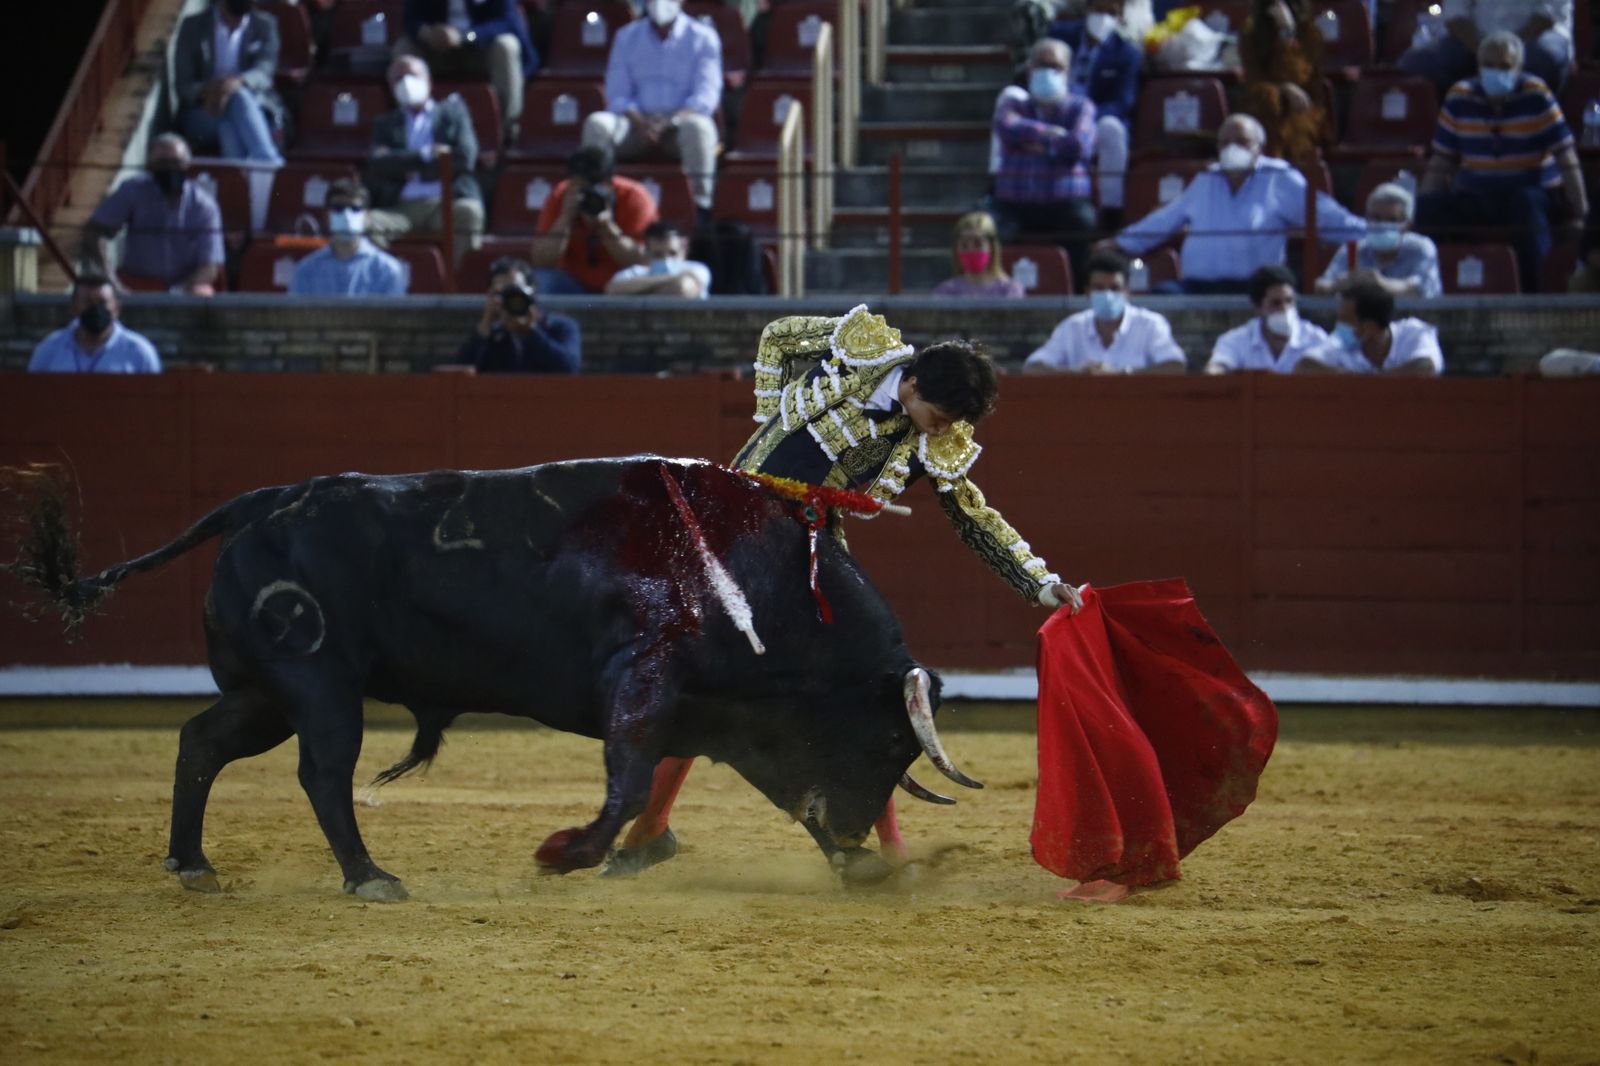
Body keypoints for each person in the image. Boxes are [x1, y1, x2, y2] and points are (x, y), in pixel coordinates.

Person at [604, 305, 1086, 878]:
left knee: (853, 693)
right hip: (733, 531)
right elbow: (778, 337)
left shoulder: (933, 440)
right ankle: (650, 831)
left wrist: (1039, 581)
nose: (943, 428)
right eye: (939, 414)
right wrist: (770, 416)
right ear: (910, 383)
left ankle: (886, 849)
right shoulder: (861, 348)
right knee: (704, 679)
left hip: (808, 556)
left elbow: (973, 516)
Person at [1104, 114, 1366, 294]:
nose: (1231, 148)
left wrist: (1369, 234)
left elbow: (1324, 215)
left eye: (1240, 142)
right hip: (1198, 286)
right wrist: (1120, 242)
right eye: (1225, 142)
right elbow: (1166, 219)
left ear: (1259, 147)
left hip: (1254, 287)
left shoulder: (1278, 177)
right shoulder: (1207, 177)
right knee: (1163, 296)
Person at [1415, 31, 1588, 293]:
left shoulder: (1537, 95)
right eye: (1489, 65)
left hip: (1530, 194)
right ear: (1478, 66)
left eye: (1505, 66)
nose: (1496, 72)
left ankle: (1535, 293)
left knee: (1527, 206)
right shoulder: (1459, 97)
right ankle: (1430, 289)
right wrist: (1423, 205)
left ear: (1518, 68)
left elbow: (1567, 158)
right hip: (1477, 194)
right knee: (1428, 209)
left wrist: (1580, 213)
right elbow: (1442, 163)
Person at [582, 0, 722, 211]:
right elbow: (617, 93)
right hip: (635, 125)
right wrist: (641, 123)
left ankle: (701, 207)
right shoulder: (626, 36)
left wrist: (670, 121)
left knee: (700, 128)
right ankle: (595, 202)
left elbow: (706, 95)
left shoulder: (703, 37)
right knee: (597, 124)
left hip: (679, 126)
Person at [991, 38, 1099, 280]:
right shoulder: (1012, 103)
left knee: (1084, 223)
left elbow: (1078, 144)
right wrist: (1055, 136)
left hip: (1065, 205)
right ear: (1029, 69)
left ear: (1068, 73)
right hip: (1014, 205)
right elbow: (1007, 127)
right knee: (983, 228)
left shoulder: (1081, 107)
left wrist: (1031, 140)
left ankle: (1079, 294)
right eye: (1041, 65)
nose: (1047, 71)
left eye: (1055, 66)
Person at [364, 55, 485, 265]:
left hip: (445, 203)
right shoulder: (385, 124)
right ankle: (386, 287)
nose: (405, 82)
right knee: (363, 224)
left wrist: (407, 167)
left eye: (411, 74)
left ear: (428, 81)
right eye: (398, 78)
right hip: (401, 208)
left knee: (470, 212)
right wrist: (424, 156)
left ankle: (459, 286)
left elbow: (465, 157)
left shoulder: (453, 114)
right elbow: (378, 164)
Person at [80, 134, 224, 295]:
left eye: (176, 163)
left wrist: (177, 291)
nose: (169, 169)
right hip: (135, 281)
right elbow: (95, 231)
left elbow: (210, 267)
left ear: (187, 165)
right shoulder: (133, 190)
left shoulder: (204, 206)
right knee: (104, 295)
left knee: (201, 294)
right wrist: (111, 279)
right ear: (150, 166)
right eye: (162, 164)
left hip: (185, 284)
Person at [396, 0, 540, 145]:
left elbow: (506, 21)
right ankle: (407, 126)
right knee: (403, 49)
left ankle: (509, 128)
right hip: (437, 51)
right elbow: (411, 19)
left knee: (506, 46)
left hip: (480, 49)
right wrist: (428, 33)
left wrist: (466, 36)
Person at [1047, 0, 1141, 218]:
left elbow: (1123, 102)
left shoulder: (1127, 54)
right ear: (1086, 10)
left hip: (1097, 120)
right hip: (1056, 113)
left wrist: (1086, 119)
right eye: (1098, 10)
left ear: (1120, 16)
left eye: (1110, 12)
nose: (1103, 17)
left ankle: (1111, 209)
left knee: (1113, 129)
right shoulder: (1059, 36)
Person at [1024, 250, 1187, 373]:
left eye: (1115, 288)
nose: (1108, 294)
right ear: (1087, 292)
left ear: (1127, 291)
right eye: (1099, 288)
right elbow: (1033, 367)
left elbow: (1176, 365)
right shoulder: (1072, 327)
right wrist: (1075, 374)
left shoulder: (1150, 324)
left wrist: (1123, 374)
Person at [530, 145, 657, 295]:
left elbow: (640, 260)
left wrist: (606, 226)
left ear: (610, 183)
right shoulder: (562, 195)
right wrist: (565, 218)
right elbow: (541, 261)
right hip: (573, 284)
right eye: (580, 185)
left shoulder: (634, 197)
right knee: (543, 279)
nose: (586, 192)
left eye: (593, 185)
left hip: (622, 286)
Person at [172, 0, 285, 165]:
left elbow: (264, 72)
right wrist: (211, 91)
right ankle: (268, 162)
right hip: (203, 111)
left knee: (228, 127)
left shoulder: (265, 25)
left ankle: (238, 182)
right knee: (234, 102)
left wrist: (237, 83)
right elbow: (183, 85)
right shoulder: (193, 26)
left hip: (252, 107)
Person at [1401, 0, 1573, 96]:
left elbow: (1549, 14)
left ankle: (1536, 134)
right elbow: (1455, 15)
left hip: (1536, 38)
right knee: (1417, 63)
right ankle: (1455, 132)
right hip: (1477, 42)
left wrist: (1508, 51)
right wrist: (1485, 51)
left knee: (1543, 58)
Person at [1238, 0, 1331, 164]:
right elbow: (1253, 80)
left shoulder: (1310, 33)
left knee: (1292, 129)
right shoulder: (1250, 33)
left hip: (1304, 107)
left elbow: (1299, 77)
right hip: (1265, 106)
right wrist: (1282, 89)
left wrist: (1286, 32)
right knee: (1268, 107)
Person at [1288, 280, 1444, 375]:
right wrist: (1356, 379)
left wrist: (1372, 382)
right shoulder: (1339, 341)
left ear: (1369, 327)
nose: (1339, 325)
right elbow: (1304, 366)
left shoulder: (1414, 332)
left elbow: (1425, 367)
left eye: (1345, 320)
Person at [1315, 182, 1444, 297]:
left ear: (1407, 225)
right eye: (1377, 218)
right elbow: (1321, 286)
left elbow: (1423, 288)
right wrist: (1340, 284)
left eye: (1391, 220)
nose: (1383, 224)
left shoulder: (1421, 248)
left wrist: (1379, 284)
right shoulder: (1355, 248)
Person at [455, 256, 581, 373]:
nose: (511, 300)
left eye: (515, 292)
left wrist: (533, 332)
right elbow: (460, 374)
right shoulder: (492, 335)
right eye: (502, 293)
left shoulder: (559, 327)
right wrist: (484, 327)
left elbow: (569, 368)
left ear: (532, 290)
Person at [287, 179, 407, 296]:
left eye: (355, 209)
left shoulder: (387, 270)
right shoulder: (305, 272)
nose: (347, 215)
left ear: (366, 217)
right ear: (327, 215)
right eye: (338, 208)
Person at [1204, 264, 1333, 373]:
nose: (1285, 309)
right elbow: (1217, 368)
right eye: (1276, 303)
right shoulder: (1235, 340)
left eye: (1289, 301)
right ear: (1257, 307)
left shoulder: (1315, 338)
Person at [28, 274, 162, 374]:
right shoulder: (49, 350)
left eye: (102, 302)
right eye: (87, 302)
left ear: (116, 308)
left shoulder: (139, 353)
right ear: (73, 308)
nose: (95, 309)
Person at [931, 212, 1027, 298]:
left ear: (992, 247)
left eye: (978, 244)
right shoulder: (946, 292)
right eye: (964, 245)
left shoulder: (1010, 290)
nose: (971, 250)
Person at [605, 221, 712, 297]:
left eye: (672, 253)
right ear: (646, 252)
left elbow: (682, 288)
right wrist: (672, 279)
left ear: (683, 250)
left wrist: (637, 291)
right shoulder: (633, 272)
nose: (666, 259)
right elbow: (613, 289)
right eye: (658, 254)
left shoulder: (697, 269)